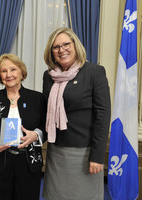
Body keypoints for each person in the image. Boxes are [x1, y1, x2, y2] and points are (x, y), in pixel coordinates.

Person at [42, 27, 111, 200]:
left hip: (84, 153)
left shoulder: (94, 72)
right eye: (56, 47)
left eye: (66, 44)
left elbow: (103, 115)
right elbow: (45, 111)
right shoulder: (48, 76)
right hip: (56, 151)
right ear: (51, 52)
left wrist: (97, 155)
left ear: (75, 45)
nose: (61, 50)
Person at [0, 53, 46, 200]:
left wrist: (36, 135)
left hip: (29, 162)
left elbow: (46, 126)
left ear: (22, 72)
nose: (9, 75)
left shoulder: (37, 99)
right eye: (4, 71)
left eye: (13, 69)